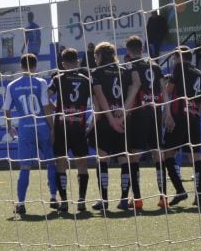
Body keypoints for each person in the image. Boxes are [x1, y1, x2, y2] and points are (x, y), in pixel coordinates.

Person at [4, 53, 56, 217]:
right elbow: (46, 106)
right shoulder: (41, 82)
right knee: (50, 163)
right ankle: (53, 197)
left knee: (25, 167)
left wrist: (9, 127)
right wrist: (52, 127)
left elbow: (6, 108)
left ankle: (21, 203)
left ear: (21, 66)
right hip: (42, 126)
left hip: (25, 128)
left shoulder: (12, 85)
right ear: (35, 66)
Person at [122, 36, 170, 210]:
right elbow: (164, 90)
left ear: (128, 51)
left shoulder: (129, 66)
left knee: (134, 154)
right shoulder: (155, 66)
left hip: (137, 113)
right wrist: (168, 112)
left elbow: (133, 89)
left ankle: (138, 199)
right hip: (155, 112)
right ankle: (163, 197)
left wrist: (124, 111)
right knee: (158, 152)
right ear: (142, 49)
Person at [161, 46, 201, 209]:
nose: (174, 61)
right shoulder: (200, 73)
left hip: (178, 116)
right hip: (193, 117)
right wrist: (196, 113)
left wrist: (164, 85)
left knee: (167, 154)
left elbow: (169, 90)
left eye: (175, 58)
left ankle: (180, 190)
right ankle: (199, 196)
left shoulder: (179, 67)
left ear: (178, 58)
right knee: (195, 157)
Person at [49, 48, 95, 213]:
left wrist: (56, 108)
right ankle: (81, 200)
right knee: (82, 164)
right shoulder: (85, 79)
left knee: (60, 163)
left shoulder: (57, 78)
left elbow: (45, 96)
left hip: (62, 127)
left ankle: (64, 202)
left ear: (62, 64)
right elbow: (96, 101)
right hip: (79, 126)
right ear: (77, 62)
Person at [89, 42, 129, 212]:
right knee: (123, 159)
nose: (94, 59)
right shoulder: (124, 71)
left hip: (106, 121)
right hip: (122, 119)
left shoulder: (97, 72)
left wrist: (106, 119)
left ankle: (104, 200)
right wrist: (122, 114)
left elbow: (99, 99)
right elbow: (130, 95)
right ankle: (124, 199)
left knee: (102, 158)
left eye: (96, 55)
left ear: (100, 56)